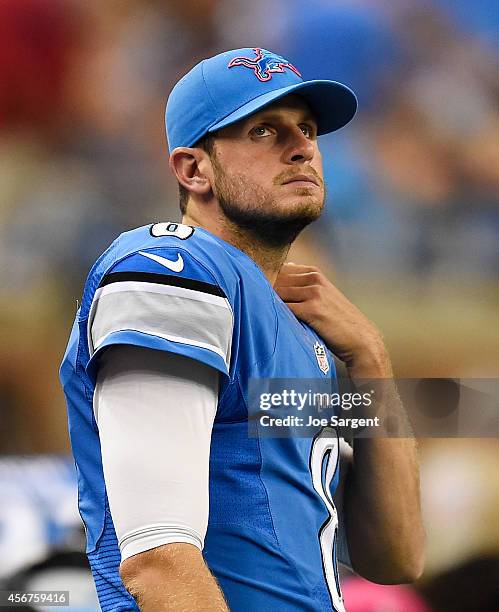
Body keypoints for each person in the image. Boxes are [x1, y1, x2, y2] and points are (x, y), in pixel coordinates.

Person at [60, 47, 425, 611]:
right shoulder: (172, 269)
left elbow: (395, 557)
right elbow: (158, 559)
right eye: (263, 131)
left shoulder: (301, 330)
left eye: (305, 128)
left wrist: (374, 363)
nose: (302, 146)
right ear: (193, 169)